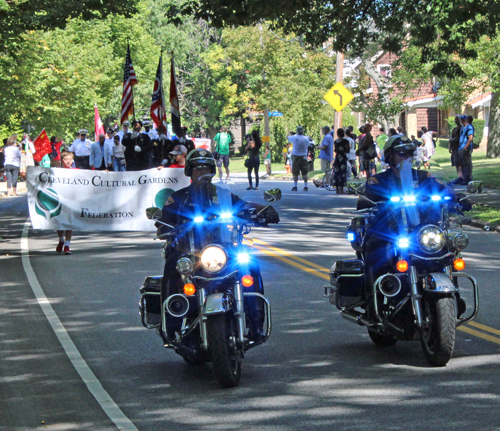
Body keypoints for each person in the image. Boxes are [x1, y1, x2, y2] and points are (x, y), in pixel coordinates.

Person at [155, 149, 279, 340]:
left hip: (223, 249)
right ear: (190, 171)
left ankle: (256, 323)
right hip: (188, 251)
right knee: (172, 266)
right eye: (198, 169)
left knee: (250, 265)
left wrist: (266, 211)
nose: (202, 172)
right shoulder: (178, 198)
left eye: (206, 168)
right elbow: (162, 224)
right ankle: (170, 325)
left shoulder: (223, 195)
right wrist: (164, 228)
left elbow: (244, 205)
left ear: (213, 171)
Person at [361, 135, 455, 295]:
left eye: (409, 154)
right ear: (390, 156)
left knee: (448, 250)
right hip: (389, 231)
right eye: (402, 154)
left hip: (421, 230)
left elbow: (442, 188)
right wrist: (366, 199)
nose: (407, 158)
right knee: (375, 250)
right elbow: (366, 196)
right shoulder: (379, 180)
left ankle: (453, 295)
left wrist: (454, 197)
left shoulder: (423, 177)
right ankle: (372, 299)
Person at [56, 151, 76, 255]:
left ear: (72, 161)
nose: (68, 161)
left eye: (70, 159)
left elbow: (90, 176)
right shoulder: (57, 172)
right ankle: (61, 240)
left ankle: (67, 245)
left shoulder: (76, 171)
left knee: (69, 223)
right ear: (62, 161)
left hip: (71, 201)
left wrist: (104, 173)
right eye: (66, 159)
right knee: (60, 223)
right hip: (60, 200)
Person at [287, 126, 310, 191]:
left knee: (295, 172)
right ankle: (305, 186)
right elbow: (308, 145)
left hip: (296, 156)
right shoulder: (306, 138)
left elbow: (287, 137)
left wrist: (289, 132)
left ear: (297, 131)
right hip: (304, 156)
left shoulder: (294, 137)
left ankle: (295, 186)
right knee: (304, 172)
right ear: (302, 131)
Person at [333, 128, 350, 194]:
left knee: (336, 173)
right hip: (343, 157)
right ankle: (341, 189)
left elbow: (335, 150)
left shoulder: (336, 141)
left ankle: (337, 189)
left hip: (337, 157)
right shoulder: (346, 141)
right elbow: (348, 150)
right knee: (342, 173)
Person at [458, 114, 474, 184]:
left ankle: (468, 178)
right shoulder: (462, 128)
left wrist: (466, 147)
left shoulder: (469, 127)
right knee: (463, 164)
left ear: (466, 120)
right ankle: (464, 178)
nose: (462, 121)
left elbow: (470, 138)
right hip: (461, 147)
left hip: (466, 148)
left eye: (463, 120)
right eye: (461, 120)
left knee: (467, 164)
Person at [448, 116, 462, 184]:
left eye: (458, 119)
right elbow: (452, 137)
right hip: (454, 148)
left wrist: (451, 140)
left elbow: (458, 138)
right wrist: (450, 146)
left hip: (459, 148)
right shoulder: (454, 129)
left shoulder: (461, 129)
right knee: (456, 163)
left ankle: (461, 177)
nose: (456, 121)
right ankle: (459, 177)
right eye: (455, 119)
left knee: (459, 163)